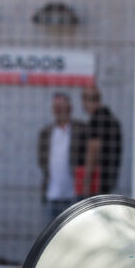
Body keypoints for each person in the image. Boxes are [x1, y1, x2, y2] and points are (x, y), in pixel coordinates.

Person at [37, 92, 86, 221]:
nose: (59, 109)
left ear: (69, 107)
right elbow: (42, 160)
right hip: (51, 194)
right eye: (56, 106)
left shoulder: (80, 129)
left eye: (61, 106)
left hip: (74, 194)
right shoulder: (46, 133)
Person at [79, 85, 122, 196]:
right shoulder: (111, 118)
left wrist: (87, 181)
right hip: (107, 180)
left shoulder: (97, 118)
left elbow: (93, 150)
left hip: (96, 183)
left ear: (85, 100)